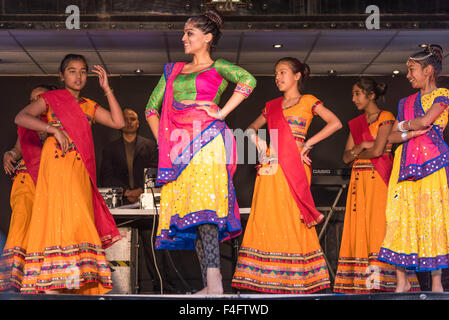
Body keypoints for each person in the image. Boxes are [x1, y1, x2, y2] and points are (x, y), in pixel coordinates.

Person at [145, 10, 256, 295]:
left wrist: (222, 113)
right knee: (192, 215)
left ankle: (215, 282)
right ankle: (211, 285)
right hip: (179, 147)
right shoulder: (173, 71)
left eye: (189, 33)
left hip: (208, 142)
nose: (183, 38)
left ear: (207, 38)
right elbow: (151, 108)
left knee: (205, 212)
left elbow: (247, 80)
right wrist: (164, 140)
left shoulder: (218, 67)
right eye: (183, 33)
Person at [14, 54, 125, 294]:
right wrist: (51, 129)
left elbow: (118, 122)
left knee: (78, 221)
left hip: (79, 169)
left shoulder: (88, 105)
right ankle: (52, 282)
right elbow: (21, 117)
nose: (78, 76)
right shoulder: (51, 99)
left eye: (83, 71)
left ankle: (71, 282)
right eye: (72, 71)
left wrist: (107, 89)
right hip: (55, 166)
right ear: (62, 75)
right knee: (57, 218)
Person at [231, 57, 342, 294]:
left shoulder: (308, 101)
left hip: (295, 165)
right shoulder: (271, 106)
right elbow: (250, 129)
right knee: (267, 215)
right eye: (275, 74)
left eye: (282, 72)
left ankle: (295, 278)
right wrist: (260, 144)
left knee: (293, 216)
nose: (278, 78)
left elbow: (335, 123)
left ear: (297, 76)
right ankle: (268, 278)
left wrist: (308, 144)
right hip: (271, 166)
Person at [333, 78, 420, 293]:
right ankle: (362, 284)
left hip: (380, 180)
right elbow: (345, 157)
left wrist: (360, 150)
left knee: (380, 227)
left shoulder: (386, 117)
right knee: (360, 227)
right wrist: (362, 145)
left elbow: (378, 151)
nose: (353, 99)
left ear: (371, 95)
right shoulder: (356, 123)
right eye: (353, 94)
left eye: (357, 94)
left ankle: (389, 282)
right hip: (358, 182)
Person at [378, 44, 449, 292]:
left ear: (428, 70)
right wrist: (410, 132)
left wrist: (405, 126)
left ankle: (437, 283)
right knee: (399, 218)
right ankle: (402, 281)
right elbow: (390, 137)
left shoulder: (443, 95)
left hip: (432, 166)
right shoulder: (405, 101)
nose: (408, 75)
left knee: (431, 220)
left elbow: (427, 120)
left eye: (412, 69)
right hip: (404, 163)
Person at [0, 85, 56, 291]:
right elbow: (17, 149)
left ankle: (37, 281)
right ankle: (10, 281)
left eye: (38, 98)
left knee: (42, 229)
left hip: (50, 181)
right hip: (25, 180)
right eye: (31, 99)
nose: (34, 102)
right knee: (20, 225)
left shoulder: (58, 122)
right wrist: (10, 155)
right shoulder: (25, 123)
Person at [100, 108, 158, 204]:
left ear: (138, 123)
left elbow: (155, 171)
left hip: (146, 198)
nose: (129, 122)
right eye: (125, 119)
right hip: (118, 200)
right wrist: (125, 191)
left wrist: (140, 190)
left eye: (132, 119)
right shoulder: (110, 149)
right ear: (119, 123)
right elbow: (106, 177)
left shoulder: (151, 146)